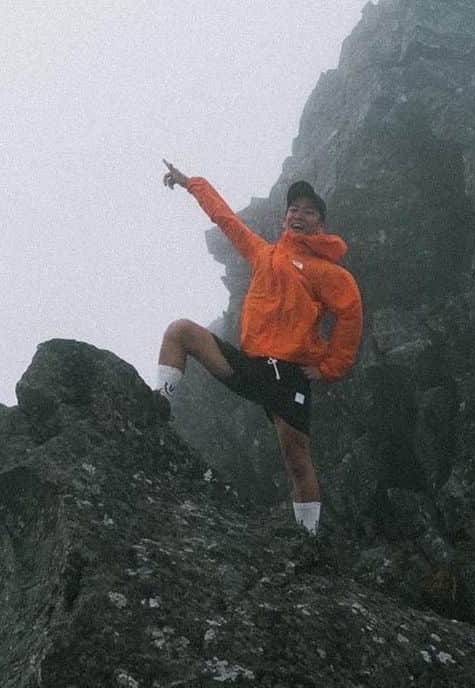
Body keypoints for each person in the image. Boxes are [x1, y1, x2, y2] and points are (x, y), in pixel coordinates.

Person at [155, 161, 363, 535]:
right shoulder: (264, 253)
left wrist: (331, 367)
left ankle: (309, 538)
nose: (298, 215)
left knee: (297, 461)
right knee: (180, 331)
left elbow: (351, 316)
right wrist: (191, 184)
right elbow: (226, 220)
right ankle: (158, 406)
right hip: (252, 365)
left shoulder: (330, 274)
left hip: (288, 377)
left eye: (308, 211)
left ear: (320, 223)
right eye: (294, 209)